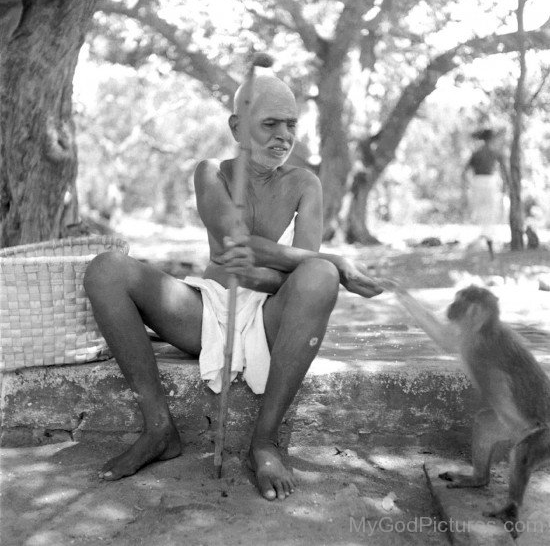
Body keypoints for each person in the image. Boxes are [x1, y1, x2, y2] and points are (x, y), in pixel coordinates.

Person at [83, 74, 383, 501]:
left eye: (291, 125)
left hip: (266, 317)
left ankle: (264, 442)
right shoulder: (211, 173)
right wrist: (328, 259)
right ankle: (159, 429)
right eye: (270, 124)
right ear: (237, 128)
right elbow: (233, 243)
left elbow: (301, 277)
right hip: (207, 312)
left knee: (319, 278)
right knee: (106, 269)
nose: (284, 136)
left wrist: (281, 270)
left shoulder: (305, 185)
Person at [463, 128, 507, 259]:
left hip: (477, 183)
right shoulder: (494, 153)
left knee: (480, 214)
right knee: (490, 214)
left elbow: (464, 172)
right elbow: (505, 171)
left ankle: (487, 242)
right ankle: (488, 243)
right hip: (489, 183)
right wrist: (506, 185)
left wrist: (468, 186)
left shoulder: (476, 154)